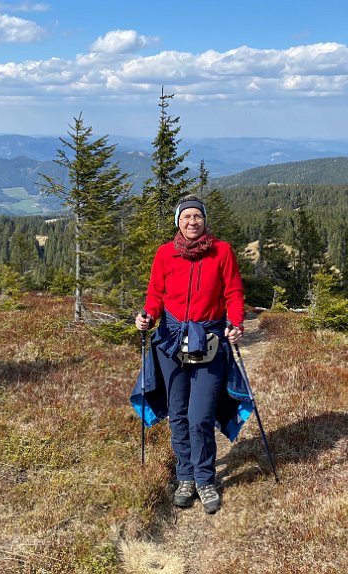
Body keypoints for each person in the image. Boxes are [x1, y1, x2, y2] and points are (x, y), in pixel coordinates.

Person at [135, 194, 245, 514]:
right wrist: (147, 316)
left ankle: (205, 479)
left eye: (197, 216)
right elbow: (155, 294)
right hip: (171, 339)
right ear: (178, 222)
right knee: (178, 414)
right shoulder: (165, 254)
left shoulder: (222, 251)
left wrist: (235, 323)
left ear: (204, 220)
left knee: (200, 417)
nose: (192, 221)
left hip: (209, 341)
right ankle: (185, 476)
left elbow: (234, 293)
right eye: (186, 217)